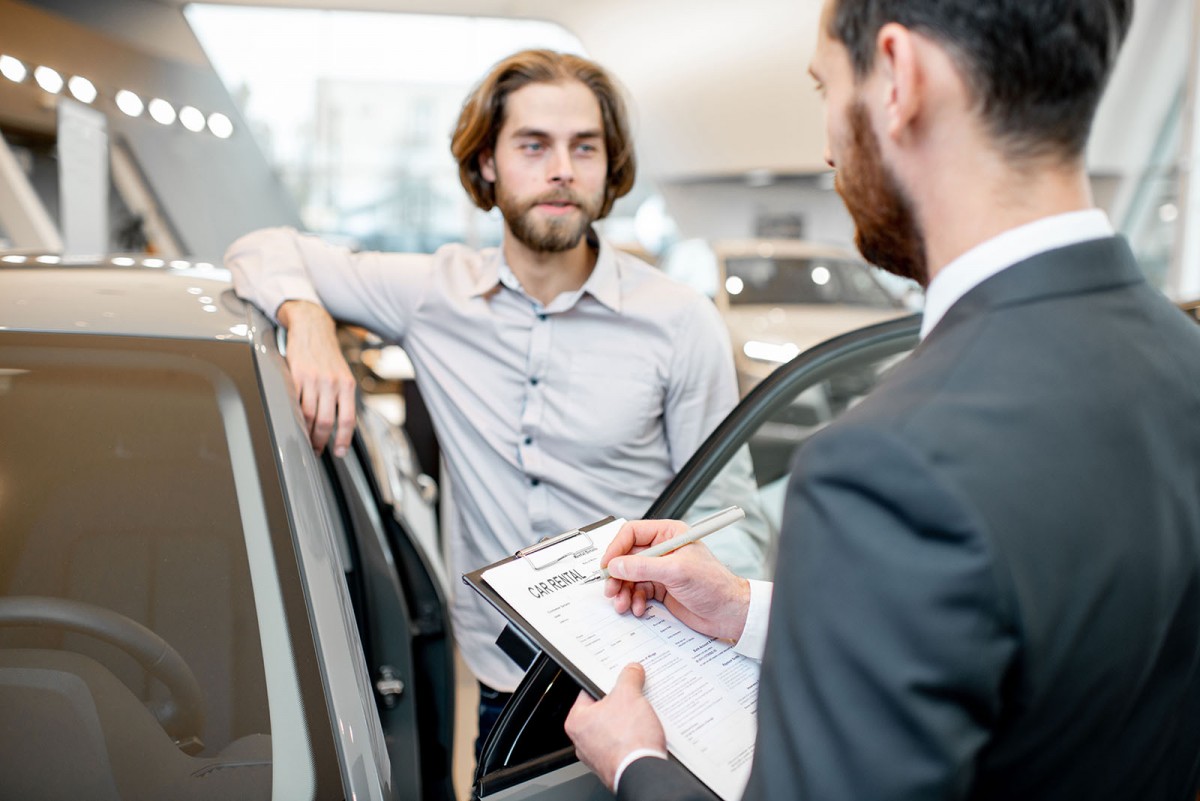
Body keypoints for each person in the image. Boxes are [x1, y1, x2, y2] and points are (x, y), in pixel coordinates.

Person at [565, 1, 1200, 799]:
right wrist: (740, 609)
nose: (826, 145)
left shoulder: (886, 463)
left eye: (824, 88)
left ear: (897, 76)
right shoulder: (1182, 361)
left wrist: (636, 763)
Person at [224, 49, 769, 755]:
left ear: (611, 169)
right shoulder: (432, 294)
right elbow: (258, 247)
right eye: (533, 145)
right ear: (487, 163)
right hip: (505, 689)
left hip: (647, 681)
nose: (562, 169)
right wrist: (308, 316)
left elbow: (729, 516)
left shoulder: (680, 319)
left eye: (585, 147)